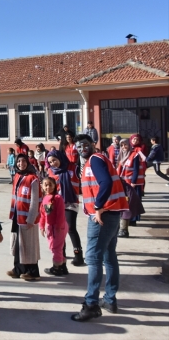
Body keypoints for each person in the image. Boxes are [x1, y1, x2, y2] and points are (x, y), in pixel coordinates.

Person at [71, 134, 128, 322]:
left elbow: (106, 182)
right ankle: (110, 299)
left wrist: (97, 207)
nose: (82, 149)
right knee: (109, 256)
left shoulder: (95, 160)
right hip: (111, 214)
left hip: (102, 216)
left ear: (92, 145)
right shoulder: (95, 160)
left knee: (94, 258)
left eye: (85, 145)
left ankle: (91, 304)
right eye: (78, 147)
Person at [46, 149, 83, 267]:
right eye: (50, 162)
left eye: (54, 160)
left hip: (71, 203)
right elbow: (48, 188)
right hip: (57, 204)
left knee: (71, 228)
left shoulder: (73, 168)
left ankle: (78, 255)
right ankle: (62, 255)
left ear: (60, 158)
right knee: (60, 231)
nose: (53, 164)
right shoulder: (51, 171)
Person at [7, 154, 41, 281]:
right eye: (19, 161)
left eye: (24, 161)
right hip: (17, 216)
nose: (21, 163)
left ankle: (33, 272)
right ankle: (18, 269)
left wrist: (31, 218)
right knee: (18, 244)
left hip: (27, 217)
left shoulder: (33, 179)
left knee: (29, 245)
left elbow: (35, 201)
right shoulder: (17, 176)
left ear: (28, 162)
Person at [39, 178, 69, 276]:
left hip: (58, 227)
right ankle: (63, 265)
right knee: (55, 247)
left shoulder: (57, 198)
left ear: (54, 186)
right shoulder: (45, 198)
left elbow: (61, 214)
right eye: (45, 185)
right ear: (42, 186)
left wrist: (59, 226)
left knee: (56, 247)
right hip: (50, 226)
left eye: (50, 185)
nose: (48, 187)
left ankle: (57, 268)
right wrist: (42, 226)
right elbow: (43, 214)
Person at [116, 139, 146, 237]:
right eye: (122, 145)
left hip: (131, 184)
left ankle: (129, 224)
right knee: (125, 204)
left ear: (129, 145)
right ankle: (125, 226)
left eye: (125, 145)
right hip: (123, 184)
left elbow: (136, 169)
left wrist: (133, 182)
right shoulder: (121, 155)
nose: (124, 147)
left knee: (131, 204)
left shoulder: (134, 155)